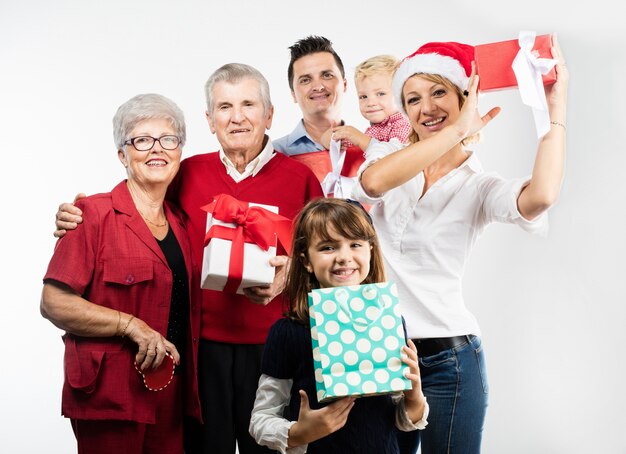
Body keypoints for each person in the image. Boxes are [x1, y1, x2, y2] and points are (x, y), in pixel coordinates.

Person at [53, 64, 324, 454]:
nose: (237, 116)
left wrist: (289, 277)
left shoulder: (300, 179)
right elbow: (140, 202)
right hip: (199, 350)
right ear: (210, 121)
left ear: (269, 114)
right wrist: (77, 213)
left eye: (249, 104)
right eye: (225, 107)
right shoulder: (187, 171)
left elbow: (322, 256)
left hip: (274, 347)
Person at [350, 39, 568, 454]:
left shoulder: (478, 186)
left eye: (438, 92)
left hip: (449, 362)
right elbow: (374, 184)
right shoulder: (387, 155)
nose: (426, 107)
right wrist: (457, 130)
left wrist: (555, 109)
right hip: (376, 353)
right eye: (412, 98)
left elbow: (539, 197)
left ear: (463, 98)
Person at [40, 93, 202, 453]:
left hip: (172, 394)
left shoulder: (182, 223)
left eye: (168, 139)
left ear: (179, 150)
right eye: (142, 140)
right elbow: (53, 302)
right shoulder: (91, 215)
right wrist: (131, 325)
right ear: (122, 155)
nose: (157, 149)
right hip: (110, 394)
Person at [249, 198, 429, 453]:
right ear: (306, 260)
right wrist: (300, 432)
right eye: (328, 247)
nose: (344, 257)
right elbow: (260, 420)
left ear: (370, 250)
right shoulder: (288, 331)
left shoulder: (391, 322)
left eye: (355, 244)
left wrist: (414, 396)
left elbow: (402, 418)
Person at [273, 35, 364, 184]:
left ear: (345, 84)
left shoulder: (368, 147)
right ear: (293, 94)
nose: (318, 86)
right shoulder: (274, 154)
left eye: (327, 75)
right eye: (306, 80)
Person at [331, 54, 412, 151]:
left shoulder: (404, 125)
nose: (370, 103)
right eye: (363, 96)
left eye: (380, 94)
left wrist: (360, 139)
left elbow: (394, 157)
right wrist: (337, 138)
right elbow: (355, 148)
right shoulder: (376, 128)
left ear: (401, 94)